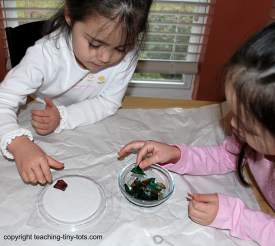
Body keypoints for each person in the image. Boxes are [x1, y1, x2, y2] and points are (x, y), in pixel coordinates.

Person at [118, 22, 275, 246]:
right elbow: (227, 156)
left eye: (247, 126)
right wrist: (176, 155)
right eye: (233, 110)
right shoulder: (249, 138)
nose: (232, 123)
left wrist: (237, 217)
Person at [0, 0, 153, 185]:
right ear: (69, 16)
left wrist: (63, 117)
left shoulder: (128, 55)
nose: (105, 58)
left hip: (84, 125)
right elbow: (3, 99)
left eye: (120, 48)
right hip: (40, 108)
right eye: (95, 44)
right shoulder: (44, 55)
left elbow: (109, 102)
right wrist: (19, 144)